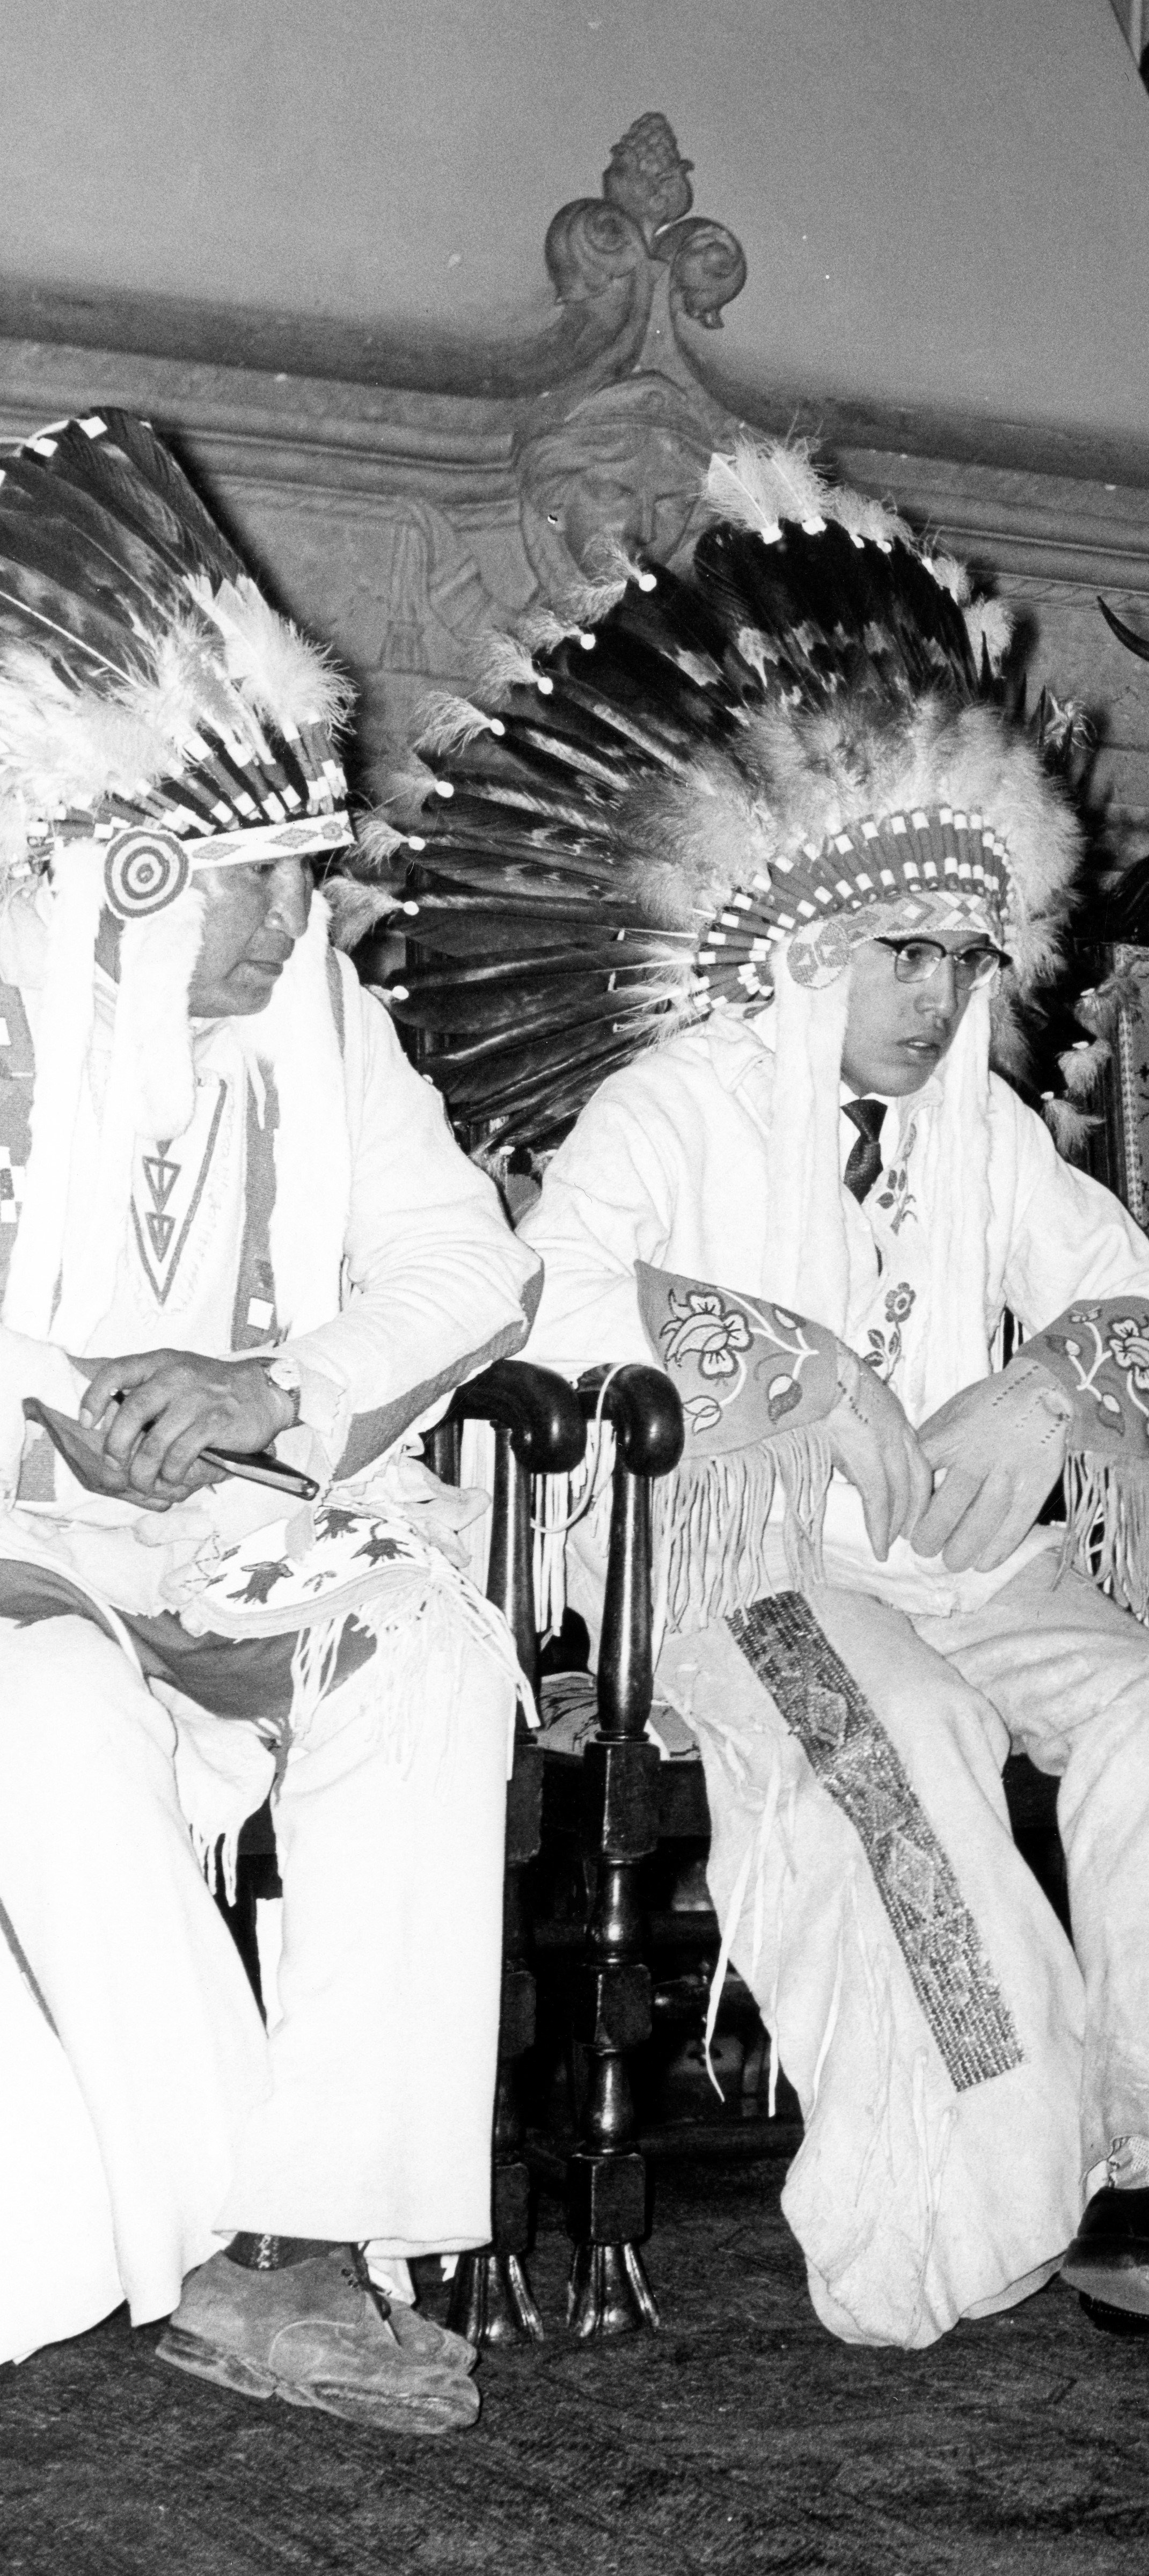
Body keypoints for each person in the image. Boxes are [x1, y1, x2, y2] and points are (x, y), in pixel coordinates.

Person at [388, 443, 1149, 2350]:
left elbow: (1139, 1288)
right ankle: (984, 2193)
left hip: (957, 1554)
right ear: (811, 950)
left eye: (961, 961)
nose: (934, 998)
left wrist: (1038, 1391)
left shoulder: (978, 1121)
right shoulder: (673, 1110)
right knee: (904, 1735)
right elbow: (550, 1305)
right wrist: (785, 1361)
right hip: (738, 1575)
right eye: (898, 958)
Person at [0, 411, 539, 2429]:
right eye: (260, 883)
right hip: (20, 1537)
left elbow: (467, 1268)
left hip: (228, 1520)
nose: (300, 920)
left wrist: (266, 1394)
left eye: (312, 877)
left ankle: (311, 2233)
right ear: (127, 872)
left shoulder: (324, 1021)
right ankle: (215, 2254)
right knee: (49, 1720)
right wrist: (65, 1421)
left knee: (421, 1644)